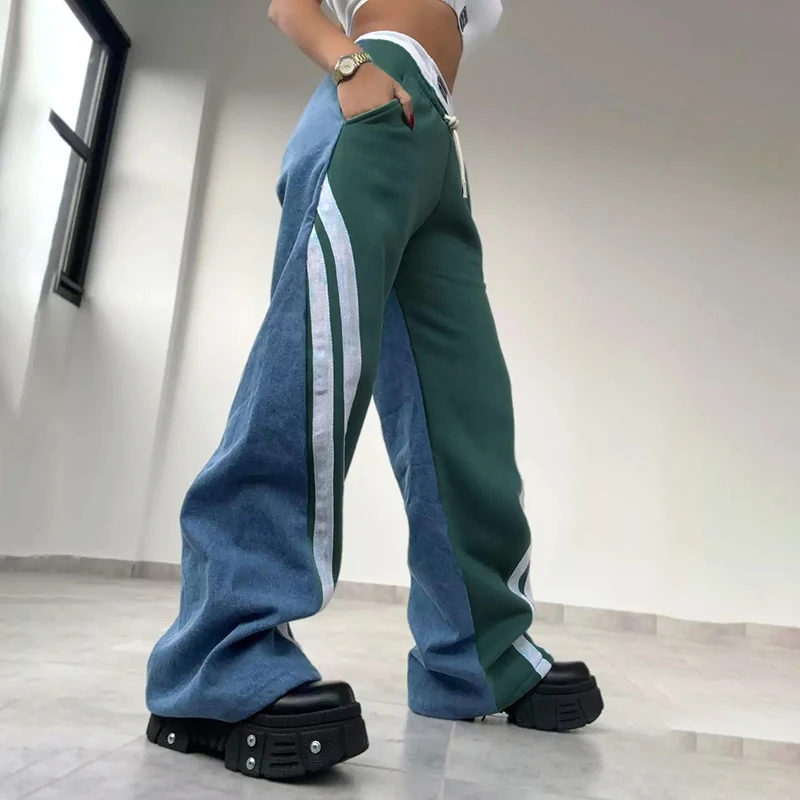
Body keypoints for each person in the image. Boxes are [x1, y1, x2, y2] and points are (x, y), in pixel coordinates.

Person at [144, 0, 604, 782]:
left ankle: (476, 656)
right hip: (374, 97)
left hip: (436, 137)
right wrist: (351, 66)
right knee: (311, 369)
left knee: (465, 410)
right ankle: (218, 660)